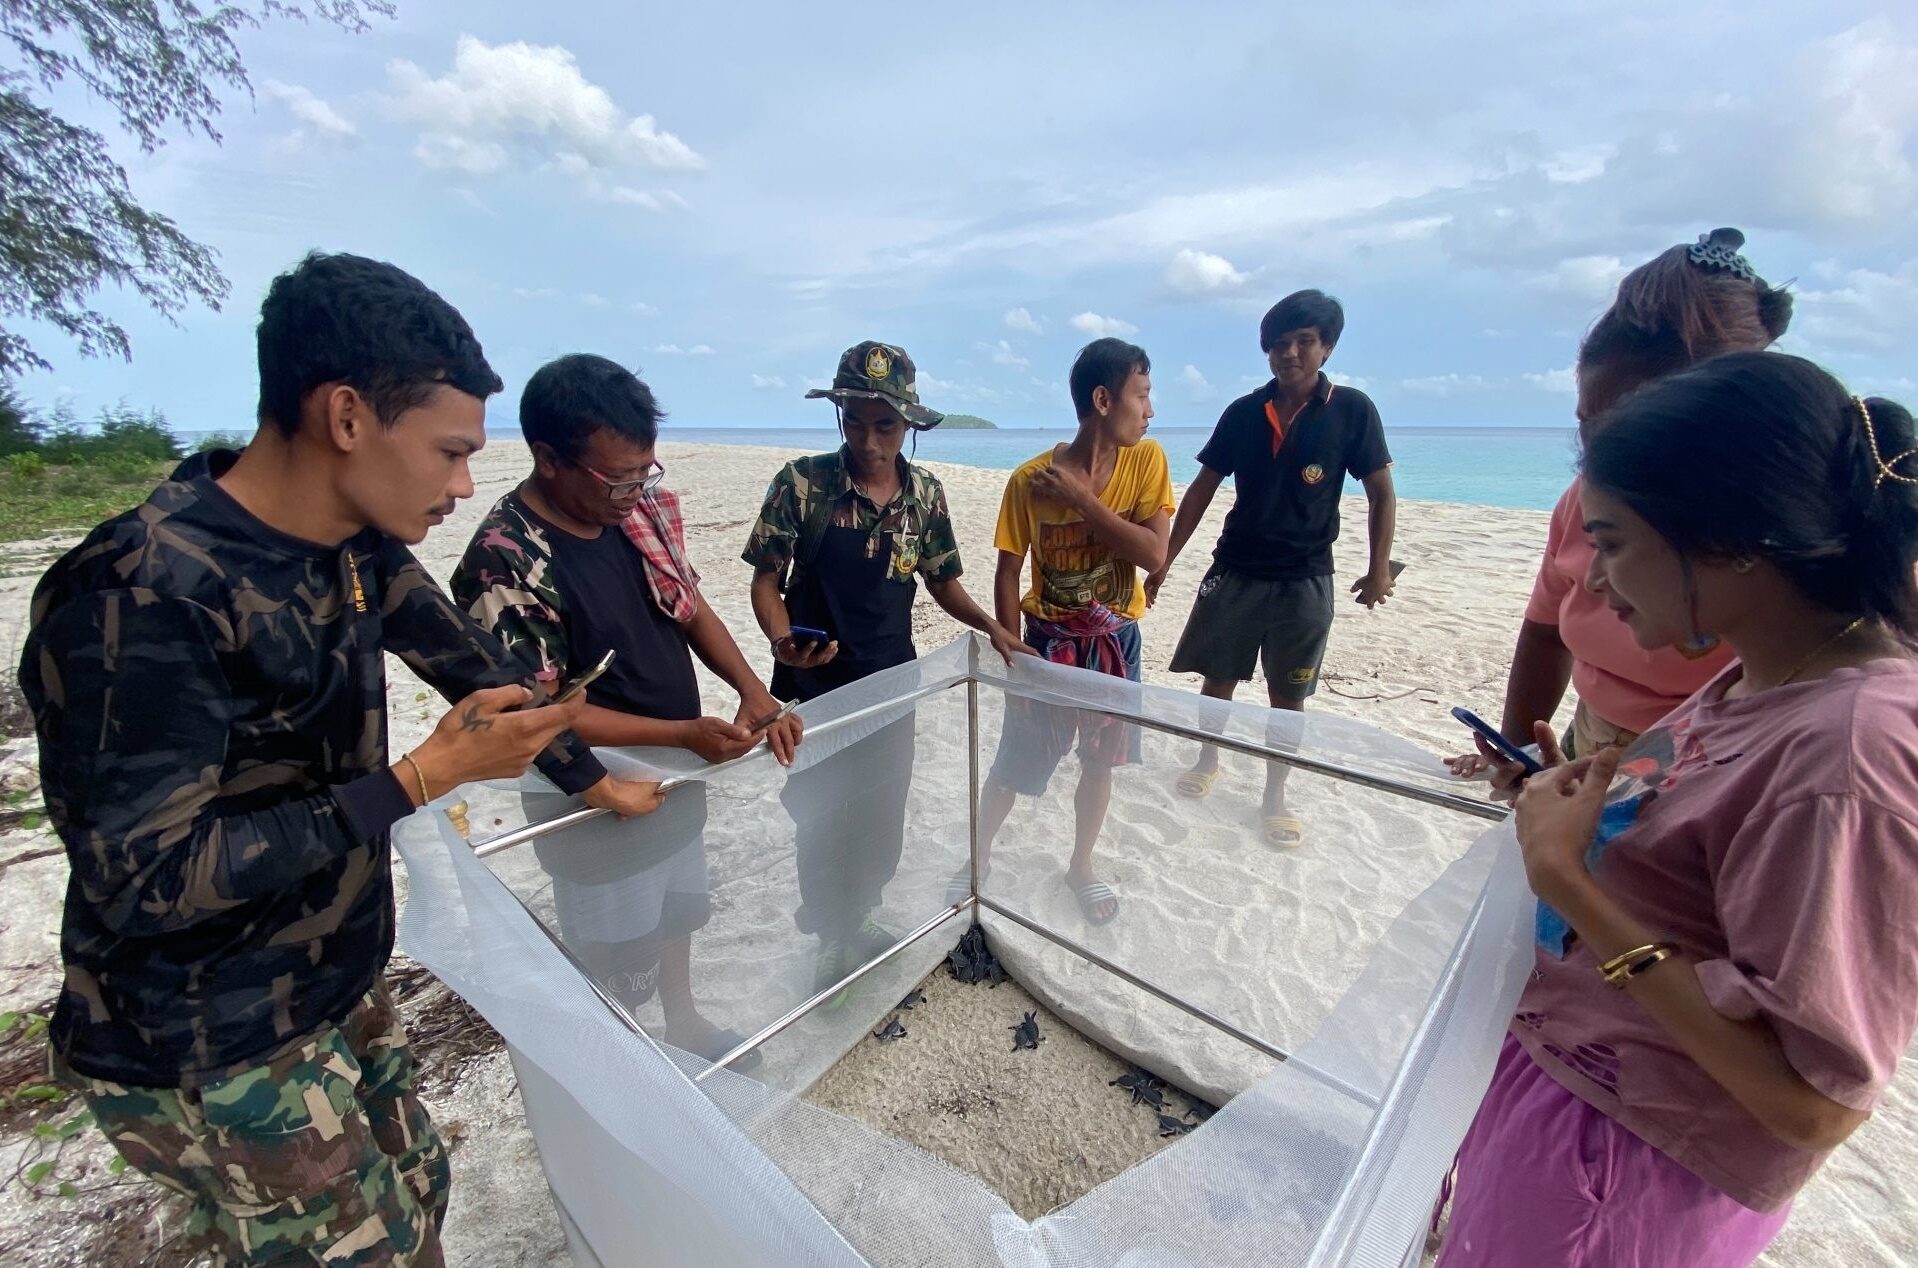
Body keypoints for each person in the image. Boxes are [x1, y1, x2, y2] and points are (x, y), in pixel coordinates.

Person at [19, 252, 660, 1267]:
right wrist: (416, 781)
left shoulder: (351, 544)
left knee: (420, 1195)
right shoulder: (140, 593)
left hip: (334, 981)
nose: (463, 485)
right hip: (216, 1040)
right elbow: (146, 879)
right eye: (449, 451)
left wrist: (589, 776)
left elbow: (474, 666)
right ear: (348, 416)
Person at [1437, 352, 1918, 1267]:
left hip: (1627, 1167)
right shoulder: (1764, 669)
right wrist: (1578, 808)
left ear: (1730, 539)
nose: (1596, 583)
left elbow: (1811, 1104)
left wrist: (1571, 885)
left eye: (1614, 543)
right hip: (1582, 1097)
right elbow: (1700, 864)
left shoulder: (1851, 752)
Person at [453, 353, 801, 1061]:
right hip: (591, 796)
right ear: (548, 458)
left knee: (678, 909)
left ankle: (683, 1021)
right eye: (616, 478)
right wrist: (679, 732)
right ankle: (626, 1059)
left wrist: (754, 692)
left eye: (645, 472)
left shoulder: (637, 514)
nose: (633, 491)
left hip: (678, 766)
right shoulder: (507, 560)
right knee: (614, 951)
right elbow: (540, 712)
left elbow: (688, 604)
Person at [1447, 230, 1792, 791]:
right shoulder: (1584, 502)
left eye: (1629, 437)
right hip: (1594, 752)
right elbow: (1544, 630)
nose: (1602, 579)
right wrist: (1522, 754)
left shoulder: (1794, 555)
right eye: (1590, 430)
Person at [742, 340, 1027, 994]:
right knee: (819, 817)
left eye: (886, 426)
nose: (869, 441)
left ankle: (862, 918)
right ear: (839, 415)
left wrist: (991, 628)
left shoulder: (926, 493)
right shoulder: (801, 484)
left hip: (891, 687)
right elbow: (764, 583)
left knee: (879, 812)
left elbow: (942, 583)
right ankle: (827, 938)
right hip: (811, 692)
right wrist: (784, 640)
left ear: (908, 426)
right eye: (856, 422)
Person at [1147, 290, 1395, 849]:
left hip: (1306, 577)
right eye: (1279, 344)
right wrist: (1164, 561)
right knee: (1218, 680)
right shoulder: (1242, 413)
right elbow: (1202, 491)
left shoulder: (1352, 410)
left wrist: (1378, 568)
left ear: (1326, 347)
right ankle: (1208, 758)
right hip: (1235, 569)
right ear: (1266, 351)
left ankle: (1275, 794)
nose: (1290, 353)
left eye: (1304, 341)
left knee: (1289, 698)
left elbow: (1380, 491)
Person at [973, 337, 1174, 925]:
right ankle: (978, 859)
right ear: (1104, 400)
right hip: (1047, 642)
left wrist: (1083, 501)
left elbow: (1153, 556)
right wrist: (1012, 649)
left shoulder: (1148, 462)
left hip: (1117, 643)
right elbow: (1008, 570)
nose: (1150, 410)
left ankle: (1081, 864)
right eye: (1143, 395)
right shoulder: (1028, 480)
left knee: (1099, 761)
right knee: (1015, 762)